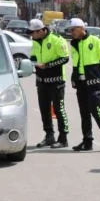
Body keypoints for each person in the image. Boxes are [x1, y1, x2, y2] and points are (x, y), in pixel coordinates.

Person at [68, 18, 100, 152]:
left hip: (94, 82)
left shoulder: (96, 41)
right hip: (81, 83)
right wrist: (74, 78)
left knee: (96, 111)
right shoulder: (74, 44)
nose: (71, 32)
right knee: (84, 113)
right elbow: (76, 64)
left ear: (80, 28)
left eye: (73, 30)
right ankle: (87, 141)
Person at [28, 19, 70, 149]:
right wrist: (33, 63)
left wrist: (47, 65)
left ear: (41, 31)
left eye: (33, 33)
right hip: (41, 81)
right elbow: (33, 56)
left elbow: (65, 58)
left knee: (59, 110)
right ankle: (49, 136)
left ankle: (63, 138)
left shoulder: (57, 40)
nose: (31, 35)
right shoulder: (35, 41)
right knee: (44, 110)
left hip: (56, 80)